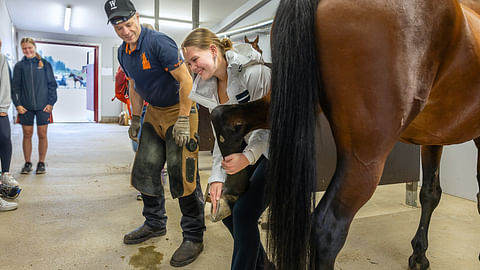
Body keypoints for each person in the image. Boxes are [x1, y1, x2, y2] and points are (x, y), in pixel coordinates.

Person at [104, 0, 205, 267]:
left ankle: (194, 236)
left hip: (179, 111)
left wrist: (184, 119)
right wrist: (136, 118)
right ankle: (155, 223)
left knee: (182, 174)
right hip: (154, 113)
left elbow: (186, 80)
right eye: (119, 27)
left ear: (137, 17)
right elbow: (135, 85)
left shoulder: (159, 43)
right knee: (146, 171)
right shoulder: (123, 53)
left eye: (128, 24)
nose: (125, 31)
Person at [182, 28, 271, 270]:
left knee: (243, 214)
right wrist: (216, 178)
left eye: (194, 60)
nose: (192, 68)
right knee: (227, 210)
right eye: (188, 63)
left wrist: (247, 157)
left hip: (274, 150)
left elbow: (268, 127)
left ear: (212, 50)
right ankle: (263, 265)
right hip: (244, 151)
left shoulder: (254, 73)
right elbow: (222, 136)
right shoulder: (208, 86)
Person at [11, 37, 57, 175]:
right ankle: (27, 163)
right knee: (27, 134)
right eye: (24, 48)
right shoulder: (19, 66)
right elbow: (15, 88)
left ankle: (41, 163)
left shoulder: (45, 64)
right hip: (25, 107)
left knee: (42, 134)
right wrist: (18, 105)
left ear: (34, 47)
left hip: (43, 106)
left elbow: (52, 85)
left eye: (29, 47)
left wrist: (51, 103)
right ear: (22, 49)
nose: (27, 50)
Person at [0, 39, 19, 211]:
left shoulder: (1, 59)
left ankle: (4, 174)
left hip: (0, 111)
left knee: (5, 140)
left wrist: (3, 107)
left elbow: (6, 85)